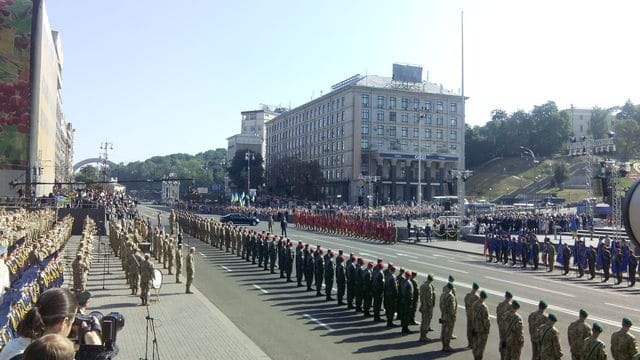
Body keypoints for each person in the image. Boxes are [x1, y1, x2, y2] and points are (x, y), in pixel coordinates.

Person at [0, 288, 102, 360]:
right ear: (64, 322)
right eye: (73, 320)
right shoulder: (33, 356)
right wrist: (96, 351)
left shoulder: (16, 346)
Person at [471, 290, 490, 360]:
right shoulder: (484, 307)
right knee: (481, 346)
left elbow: (472, 315)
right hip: (482, 330)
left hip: (474, 327)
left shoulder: (474, 304)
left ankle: (475, 357)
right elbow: (486, 321)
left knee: (475, 345)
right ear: (484, 298)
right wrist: (487, 329)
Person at [440, 283, 457, 352]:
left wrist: (443, 312)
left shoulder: (443, 294)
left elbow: (440, 305)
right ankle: (447, 346)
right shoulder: (451, 296)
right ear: (451, 289)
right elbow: (452, 308)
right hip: (449, 317)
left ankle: (443, 346)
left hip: (444, 315)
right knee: (448, 332)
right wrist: (453, 316)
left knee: (443, 331)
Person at [419, 274, 436, 342]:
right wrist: (428, 305)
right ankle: (423, 336)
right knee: (425, 321)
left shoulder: (424, 285)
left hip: (426, 305)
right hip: (427, 307)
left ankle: (423, 335)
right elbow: (425, 297)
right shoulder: (427, 286)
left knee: (426, 320)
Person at [497, 291, 513, 359]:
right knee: (508, 343)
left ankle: (502, 356)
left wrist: (500, 324)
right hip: (508, 329)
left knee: (502, 341)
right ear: (510, 298)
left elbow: (498, 317)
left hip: (501, 327)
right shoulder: (511, 306)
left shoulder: (500, 305)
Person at [464, 282, 480, 349]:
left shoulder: (467, 295)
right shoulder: (477, 297)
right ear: (477, 289)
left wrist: (468, 311)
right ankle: (474, 344)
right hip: (474, 317)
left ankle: (469, 344)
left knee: (469, 329)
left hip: (468, 315)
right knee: (474, 330)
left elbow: (465, 303)